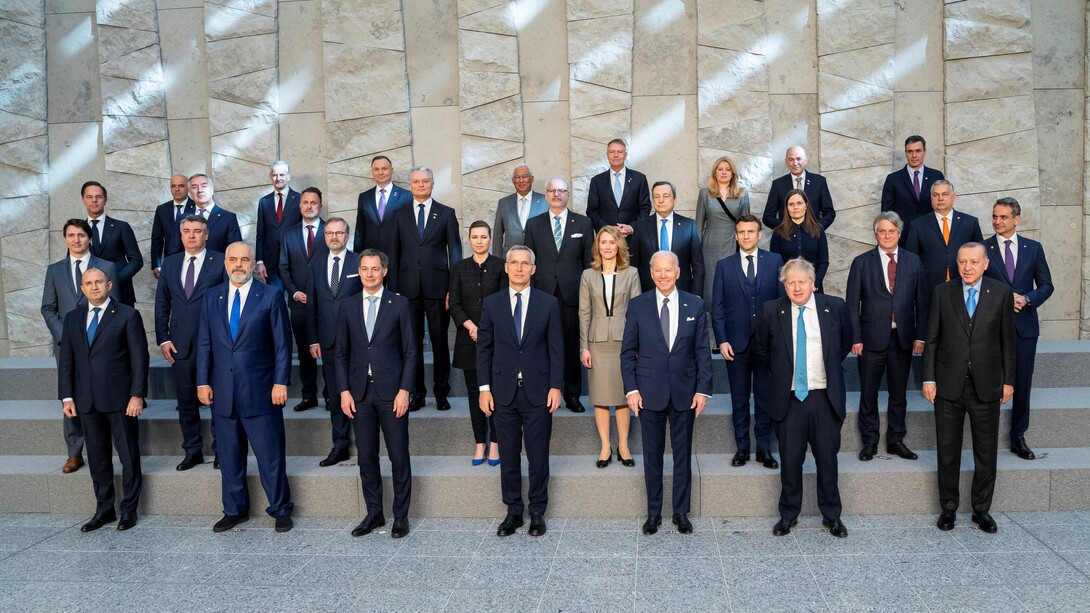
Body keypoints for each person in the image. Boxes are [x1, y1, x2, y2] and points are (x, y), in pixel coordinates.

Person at [196, 241, 295, 533]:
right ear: (225, 263)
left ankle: (280, 509)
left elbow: (282, 345)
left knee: (270, 455)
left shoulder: (271, 295)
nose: (238, 264)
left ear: (253, 263)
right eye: (233, 260)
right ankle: (235, 510)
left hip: (262, 391)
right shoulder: (211, 297)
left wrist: (281, 382)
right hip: (223, 392)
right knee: (229, 457)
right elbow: (204, 343)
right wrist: (202, 381)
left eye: (244, 259)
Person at [754, 258, 852, 539]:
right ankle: (788, 515)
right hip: (789, 399)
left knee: (827, 462)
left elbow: (844, 343)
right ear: (783, 285)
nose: (797, 287)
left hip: (824, 397)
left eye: (802, 282)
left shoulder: (834, 307)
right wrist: (785, 377)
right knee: (790, 461)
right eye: (790, 282)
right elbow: (762, 352)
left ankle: (832, 516)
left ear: (813, 283)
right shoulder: (772, 310)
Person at [924, 243, 1015, 534]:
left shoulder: (1000, 293)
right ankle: (948, 508)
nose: (967, 267)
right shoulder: (942, 292)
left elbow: (1007, 342)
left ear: (985, 264)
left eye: (974, 262)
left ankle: (981, 510)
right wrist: (929, 378)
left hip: (986, 386)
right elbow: (933, 340)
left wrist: (1008, 381)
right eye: (963, 262)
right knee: (947, 451)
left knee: (986, 452)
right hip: (948, 386)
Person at [621, 251, 712, 535]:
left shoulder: (694, 305)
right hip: (648, 393)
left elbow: (702, 352)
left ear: (678, 272)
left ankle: (681, 512)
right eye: (658, 270)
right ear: (651, 273)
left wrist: (703, 390)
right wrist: (632, 390)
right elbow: (628, 353)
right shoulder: (638, 306)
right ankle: (653, 512)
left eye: (668, 270)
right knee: (652, 455)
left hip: (685, 392)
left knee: (682, 456)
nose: (663, 275)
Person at [477, 245, 564, 537]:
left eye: (524, 263)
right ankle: (513, 512)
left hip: (538, 392)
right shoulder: (491, 304)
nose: (518, 268)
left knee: (538, 455)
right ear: (506, 267)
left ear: (533, 269)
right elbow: (484, 349)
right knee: (509, 454)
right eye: (513, 263)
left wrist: (555, 386)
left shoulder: (548, 303)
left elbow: (556, 349)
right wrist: (484, 388)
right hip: (502, 392)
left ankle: (537, 511)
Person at [57, 267, 148, 532]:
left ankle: (128, 510)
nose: (94, 287)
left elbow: (139, 358)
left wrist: (137, 395)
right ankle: (104, 509)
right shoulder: (72, 319)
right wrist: (67, 397)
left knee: (128, 456)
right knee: (97, 458)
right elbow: (67, 362)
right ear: (82, 289)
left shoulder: (127, 315)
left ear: (109, 285)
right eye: (89, 283)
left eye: (99, 282)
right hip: (86, 401)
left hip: (121, 400)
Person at [334, 249, 417, 539]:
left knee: (398, 456)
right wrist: (344, 391)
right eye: (365, 269)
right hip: (359, 394)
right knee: (366, 456)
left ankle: (401, 516)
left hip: (392, 393)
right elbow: (341, 353)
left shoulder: (400, 304)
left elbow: (410, 351)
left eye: (375, 269)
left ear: (384, 271)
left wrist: (405, 390)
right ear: (360, 271)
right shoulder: (347, 306)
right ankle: (374, 512)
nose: (370, 274)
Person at [845, 212, 928, 462]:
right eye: (882, 231)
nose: (887, 235)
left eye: (891, 231)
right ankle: (869, 441)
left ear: (899, 234)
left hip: (902, 338)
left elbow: (922, 302)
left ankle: (896, 440)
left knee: (898, 393)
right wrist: (855, 337)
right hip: (870, 340)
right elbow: (852, 305)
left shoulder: (913, 262)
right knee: (868, 393)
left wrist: (920, 336)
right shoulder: (861, 262)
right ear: (876, 234)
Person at [41, 219, 119, 474]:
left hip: (100, 343)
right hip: (66, 344)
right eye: (71, 235)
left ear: (89, 238)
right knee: (70, 394)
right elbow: (48, 307)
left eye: (81, 235)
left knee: (102, 390)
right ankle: (74, 452)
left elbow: (114, 304)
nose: (76, 239)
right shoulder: (54, 270)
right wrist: (66, 336)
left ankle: (105, 445)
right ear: (65, 239)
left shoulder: (106, 266)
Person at [154, 214, 227, 471]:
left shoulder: (219, 261)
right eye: (187, 231)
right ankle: (192, 450)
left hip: (215, 345)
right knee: (186, 402)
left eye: (198, 231)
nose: (192, 235)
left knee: (218, 400)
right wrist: (163, 338)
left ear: (206, 235)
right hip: (179, 345)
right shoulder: (171, 263)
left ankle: (221, 451)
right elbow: (162, 303)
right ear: (181, 234)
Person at [711, 214, 784, 469]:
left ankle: (764, 449)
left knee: (765, 398)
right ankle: (742, 448)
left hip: (767, 344)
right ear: (736, 234)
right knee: (739, 398)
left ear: (759, 234)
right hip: (736, 344)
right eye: (741, 232)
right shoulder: (724, 265)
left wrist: (778, 340)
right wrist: (722, 340)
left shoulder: (775, 262)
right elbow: (717, 307)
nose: (745, 236)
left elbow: (781, 305)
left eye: (750, 232)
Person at [984, 197, 1053, 460]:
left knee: (1022, 383)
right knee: (990, 382)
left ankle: (1018, 437)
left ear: (1016, 219)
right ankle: (986, 437)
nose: (997, 221)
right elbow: (974, 286)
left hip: (1024, 327)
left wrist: (1026, 299)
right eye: (994, 216)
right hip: (991, 328)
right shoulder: (983, 248)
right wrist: (1003, 298)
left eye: (1002, 217)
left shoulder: (1033, 248)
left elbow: (1047, 285)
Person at [389, 166, 462, 411]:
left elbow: (456, 254)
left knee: (441, 342)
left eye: (425, 181)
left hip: (439, 290)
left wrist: (454, 289)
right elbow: (394, 256)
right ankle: (417, 393)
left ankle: (442, 392)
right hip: (408, 291)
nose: (421, 185)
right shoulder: (398, 215)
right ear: (410, 185)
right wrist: (395, 291)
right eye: (416, 182)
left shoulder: (446, 213)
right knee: (412, 344)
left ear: (432, 184)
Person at [524, 176, 594, 413]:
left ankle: (572, 395)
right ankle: (544, 391)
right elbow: (529, 263)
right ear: (546, 195)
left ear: (568, 194)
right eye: (552, 191)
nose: (556, 194)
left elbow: (588, 264)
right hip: (542, 294)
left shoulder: (583, 224)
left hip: (572, 296)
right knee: (541, 346)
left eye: (561, 190)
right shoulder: (533, 224)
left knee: (571, 346)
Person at [579, 226, 641, 468]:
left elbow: (638, 311)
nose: (607, 246)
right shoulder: (588, 275)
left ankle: (623, 445)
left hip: (625, 341)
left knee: (625, 395)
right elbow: (584, 312)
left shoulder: (632, 273)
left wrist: (638, 345)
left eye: (611, 242)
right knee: (601, 396)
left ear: (619, 246)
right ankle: (605, 446)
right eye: (603, 242)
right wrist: (584, 347)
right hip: (596, 342)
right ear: (597, 246)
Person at [305, 217, 363, 467]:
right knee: (338, 393)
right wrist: (312, 339)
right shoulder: (315, 265)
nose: (334, 237)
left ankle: (365, 445)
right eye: (330, 233)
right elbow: (312, 306)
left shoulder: (359, 261)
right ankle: (340, 445)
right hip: (328, 341)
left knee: (360, 393)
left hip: (359, 341)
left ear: (347, 235)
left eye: (339, 233)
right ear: (324, 236)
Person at [449, 221, 507, 466]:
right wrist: (472, 326)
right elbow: (454, 303)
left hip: (497, 341)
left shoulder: (500, 266)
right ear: (469, 240)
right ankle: (479, 443)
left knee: (495, 391)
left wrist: (487, 330)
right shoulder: (459, 268)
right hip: (468, 340)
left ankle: (495, 442)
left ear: (490, 239)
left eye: (484, 237)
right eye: (475, 237)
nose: (480, 241)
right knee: (475, 394)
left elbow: (505, 301)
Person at [278, 187, 328, 412]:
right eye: (305, 202)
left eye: (314, 202)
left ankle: (330, 395)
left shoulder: (331, 231)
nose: (309, 206)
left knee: (328, 349)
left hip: (326, 303)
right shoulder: (288, 234)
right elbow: (283, 267)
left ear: (320, 205)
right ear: (300, 206)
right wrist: (294, 292)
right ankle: (309, 396)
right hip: (299, 302)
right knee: (305, 350)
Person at [905, 180, 983, 291]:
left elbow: (981, 255)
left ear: (953, 196)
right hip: (930, 288)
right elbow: (911, 261)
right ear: (931, 198)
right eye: (936, 195)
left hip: (965, 286)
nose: (940, 198)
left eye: (945, 194)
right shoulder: (918, 225)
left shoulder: (970, 222)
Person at [629, 181, 704, 297]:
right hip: (648, 292)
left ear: (674, 199)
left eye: (666, 196)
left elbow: (697, 264)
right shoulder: (640, 227)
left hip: (682, 291)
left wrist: (696, 294)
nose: (661, 200)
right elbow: (633, 265)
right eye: (656, 197)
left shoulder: (689, 226)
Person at [696, 156, 751, 300]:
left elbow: (747, 224)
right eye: (720, 169)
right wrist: (696, 251)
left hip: (733, 245)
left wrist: (747, 250)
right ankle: (710, 320)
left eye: (728, 169)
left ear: (733, 173)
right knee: (710, 285)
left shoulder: (742, 194)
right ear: (715, 172)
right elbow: (699, 225)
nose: (724, 172)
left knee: (731, 283)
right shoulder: (705, 193)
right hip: (709, 247)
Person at [81, 181, 143, 307]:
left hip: (120, 293)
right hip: (89, 296)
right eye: (89, 197)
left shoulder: (121, 227)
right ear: (83, 200)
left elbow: (136, 260)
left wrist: (114, 281)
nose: (94, 200)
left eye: (98, 197)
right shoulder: (78, 230)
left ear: (105, 200)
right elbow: (72, 260)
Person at [881, 135, 945, 241]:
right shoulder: (893, 179)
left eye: (918, 151)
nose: (914, 155)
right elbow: (886, 214)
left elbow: (944, 206)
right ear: (905, 153)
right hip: (903, 238)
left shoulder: (936, 176)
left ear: (925, 152)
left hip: (931, 236)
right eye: (910, 151)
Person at [585, 138, 652, 235]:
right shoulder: (597, 181)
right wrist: (608, 229)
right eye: (612, 152)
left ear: (625, 155)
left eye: (619, 152)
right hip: (607, 238)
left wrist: (631, 227)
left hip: (633, 239)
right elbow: (592, 211)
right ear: (607, 155)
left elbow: (645, 208)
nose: (616, 155)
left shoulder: (639, 179)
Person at [762, 146, 835, 230]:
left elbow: (829, 213)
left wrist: (816, 228)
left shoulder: (819, 182)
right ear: (786, 162)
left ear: (806, 160)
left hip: (813, 238)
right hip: (787, 238)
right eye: (791, 159)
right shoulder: (778, 184)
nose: (795, 163)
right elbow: (768, 217)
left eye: (798, 159)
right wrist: (785, 228)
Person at [769, 189, 829, 292]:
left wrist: (815, 284)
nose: (795, 207)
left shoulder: (818, 230)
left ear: (806, 205)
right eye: (791, 204)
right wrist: (785, 285)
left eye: (799, 203)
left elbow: (823, 261)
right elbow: (775, 264)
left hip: (813, 288)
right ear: (787, 208)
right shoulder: (778, 232)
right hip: (788, 289)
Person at [255, 160, 301, 290]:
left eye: (282, 175)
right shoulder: (264, 202)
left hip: (294, 261)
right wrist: (259, 261)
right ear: (271, 177)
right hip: (271, 265)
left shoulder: (300, 199)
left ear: (288, 176)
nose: (278, 178)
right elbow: (260, 234)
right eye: (275, 175)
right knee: (275, 301)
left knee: (296, 303)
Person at [353, 155, 412, 255]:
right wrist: (357, 257)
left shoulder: (406, 196)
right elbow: (360, 230)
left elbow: (410, 231)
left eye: (384, 168)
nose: (380, 172)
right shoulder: (364, 197)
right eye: (376, 169)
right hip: (371, 257)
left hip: (398, 256)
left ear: (391, 170)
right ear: (372, 172)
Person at [493, 164, 548, 257]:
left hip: (538, 258)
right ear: (513, 180)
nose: (521, 180)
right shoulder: (503, 203)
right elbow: (497, 236)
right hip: (510, 259)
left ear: (532, 179)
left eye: (525, 176)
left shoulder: (545, 201)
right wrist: (496, 261)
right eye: (517, 177)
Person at [150, 174, 195, 278]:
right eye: (173, 186)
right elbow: (157, 239)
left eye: (181, 186)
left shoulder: (196, 206)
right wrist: (156, 264)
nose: (177, 189)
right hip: (170, 260)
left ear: (187, 187)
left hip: (193, 258)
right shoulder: (162, 209)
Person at [188, 174, 242, 254]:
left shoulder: (228, 218)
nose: (200, 190)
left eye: (204, 186)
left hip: (218, 265)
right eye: (195, 187)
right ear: (190, 194)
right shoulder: (183, 218)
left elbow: (236, 251)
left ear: (212, 190)